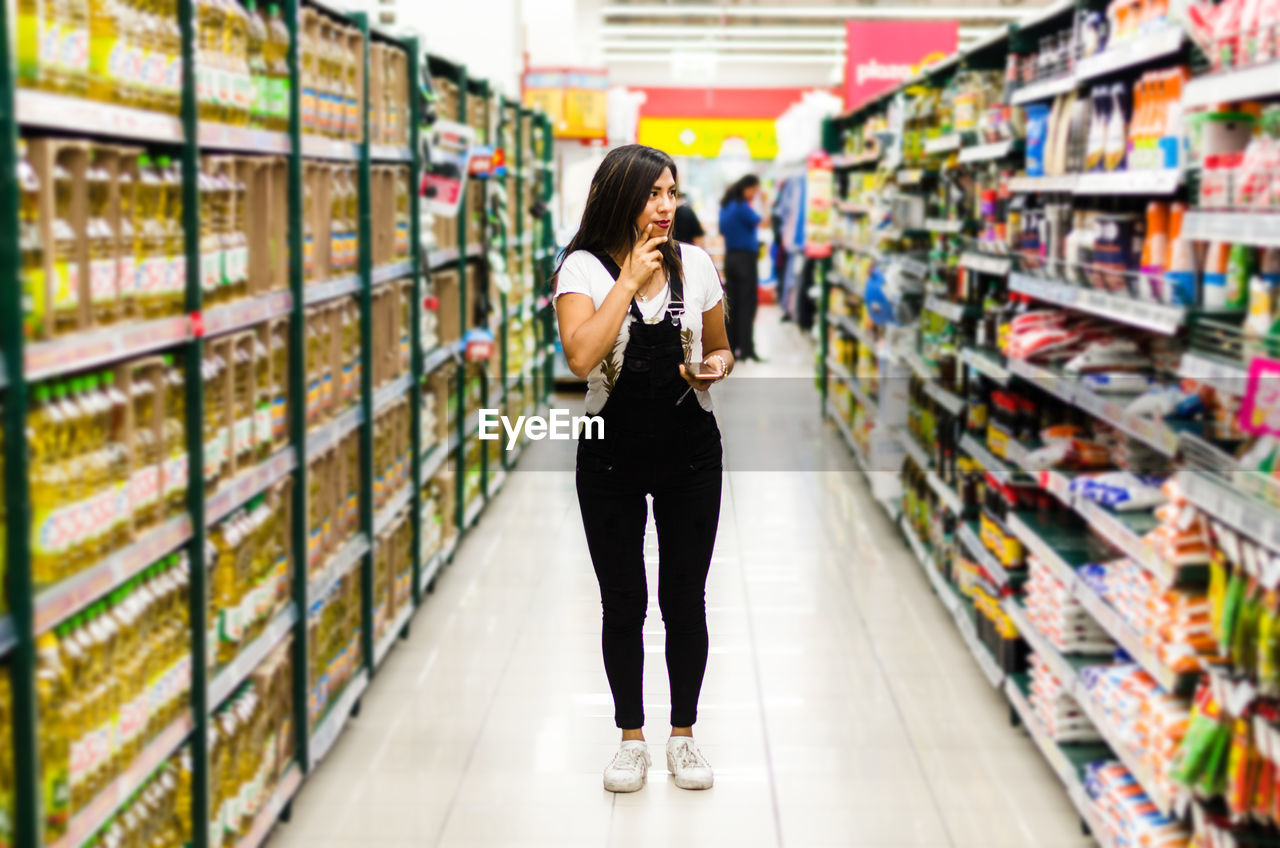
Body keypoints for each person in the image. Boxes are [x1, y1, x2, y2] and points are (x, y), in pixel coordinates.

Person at [553, 144, 733, 794]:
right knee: (623, 601)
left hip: (690, 450)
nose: (665, 207)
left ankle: (682, 735)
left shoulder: (697, 265)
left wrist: (711, 368)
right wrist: (627, 281)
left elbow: (720, 349)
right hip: (610, 454)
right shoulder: (582, 269)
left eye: (672, 194)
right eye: (653, 193)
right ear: (621, 196)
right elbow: (580, 357)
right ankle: (631, 738)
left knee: (684, 598)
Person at [718, 174, 762, 361]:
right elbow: (762, 220)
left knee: (733, 304)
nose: (755, 193)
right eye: (754, 189)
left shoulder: (726, 206)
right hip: (745, 259)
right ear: (746, 187)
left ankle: (732, 345)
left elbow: (722, 230)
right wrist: (763, 202)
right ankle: (746, 350)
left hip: (731, 258)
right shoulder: (742, 206)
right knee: (747, 304)